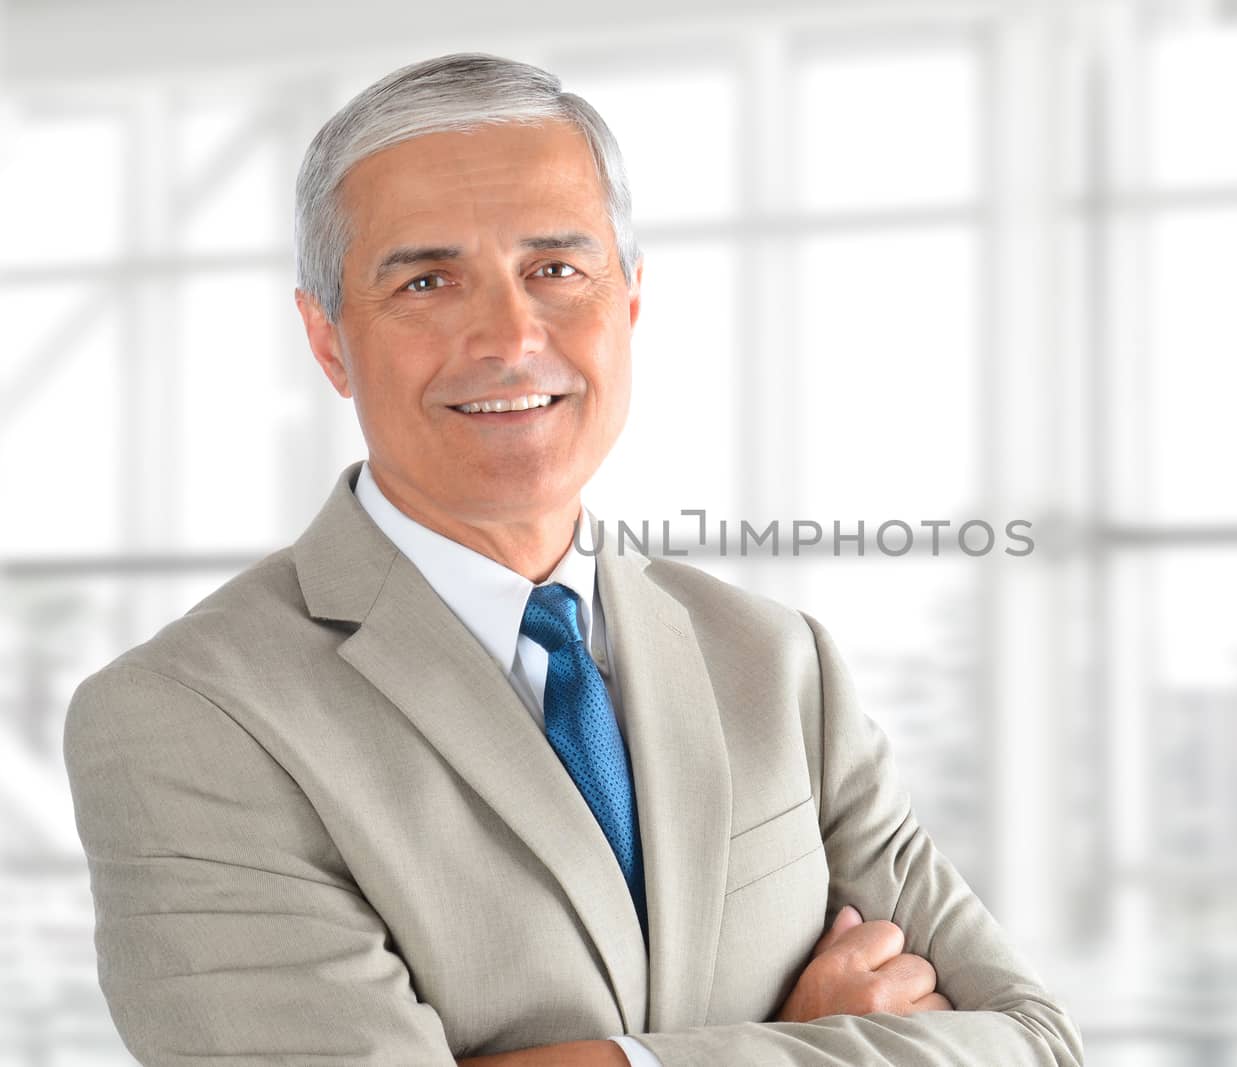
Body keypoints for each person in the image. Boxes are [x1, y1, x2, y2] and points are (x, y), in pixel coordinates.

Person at [62, 53, 1083, 1066]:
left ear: (628, 302)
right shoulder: (186, 716)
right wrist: (793, 1041)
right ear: (328, 340)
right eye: (425, 280)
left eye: (555, 269)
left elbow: (1034, 1041)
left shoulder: (777, 665)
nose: (509, 336)